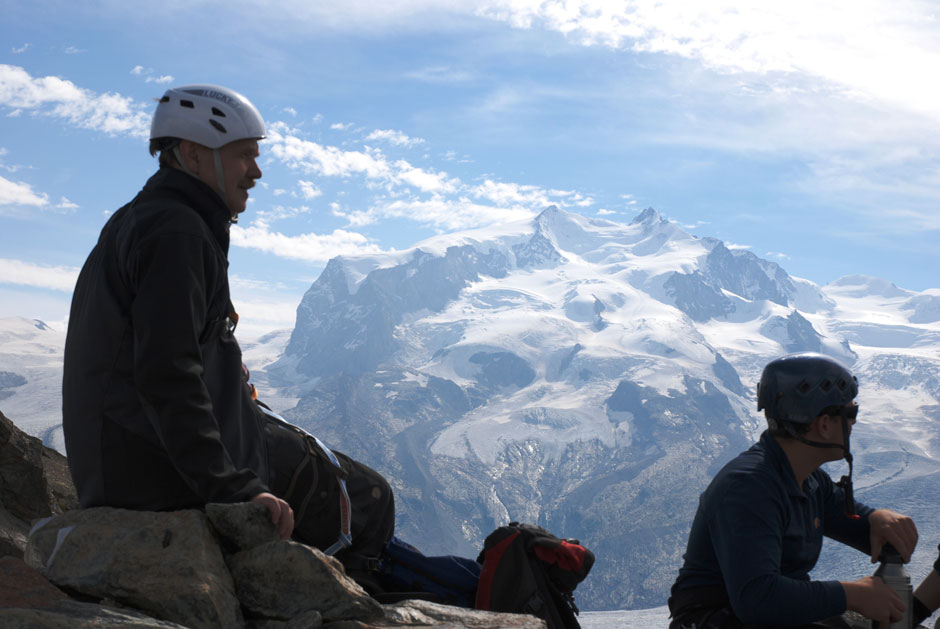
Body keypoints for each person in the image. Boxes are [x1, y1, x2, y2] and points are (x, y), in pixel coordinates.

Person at [62, 85, 393, 573]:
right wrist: (232, 488)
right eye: (243, 157)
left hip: (133, 458)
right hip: (156, 475)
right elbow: (166, 375)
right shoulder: (176, 233)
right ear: (194, 156)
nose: (256, 173)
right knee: (370, 500)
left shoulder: (146, 219)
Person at [667, 353, 919, 628]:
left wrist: (875, 519)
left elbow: (847, 517)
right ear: (824, 424)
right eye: (851, 413)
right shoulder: (749, 488)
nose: (853, 423)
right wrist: (851, 595)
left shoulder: (807, 480)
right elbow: (758, 599)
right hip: (714, 620)